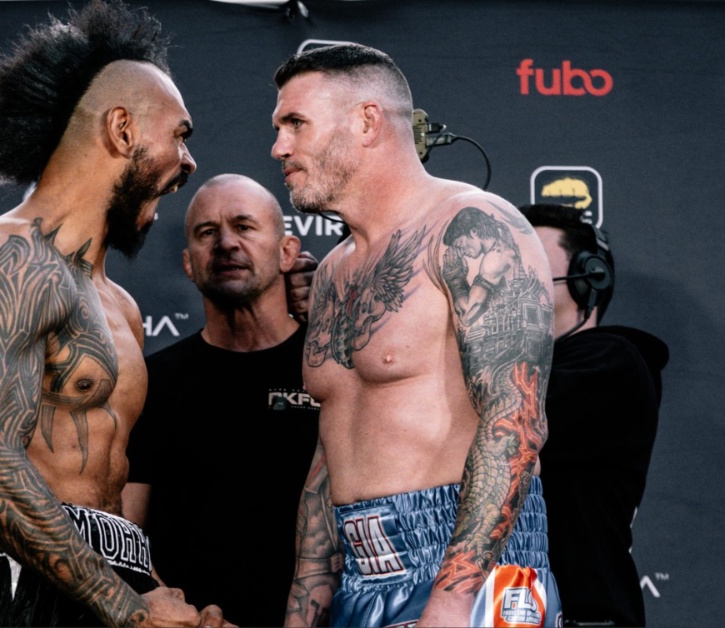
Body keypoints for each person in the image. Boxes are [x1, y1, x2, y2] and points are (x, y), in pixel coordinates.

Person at [0, 2, 225, 626]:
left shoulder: (121, 306)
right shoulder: (10, 258)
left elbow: (98, 500)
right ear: (122, 130)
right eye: (180, 135)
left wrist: (163, 604)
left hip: (102, 577)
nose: (189, 162)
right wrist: (130, 611)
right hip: (4, 576)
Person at [271, 44, 560, 627]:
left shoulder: (472, 227)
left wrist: (452, 601)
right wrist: (305, 606)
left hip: (468, 567)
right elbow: (331, 453)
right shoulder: (332, 273)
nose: (279, 147)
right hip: (362, 573)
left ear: (367, 121)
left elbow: (516, 419)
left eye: (295, 123)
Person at [123, 174, 319, 626]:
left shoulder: (331, 372)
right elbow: (125, 533)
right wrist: (184, 618)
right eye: (207, 232)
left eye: (244, 226)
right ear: (188, 264)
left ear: (287, 251)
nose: (226, 243)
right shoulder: (152, 382)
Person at [518, 203, 668, 627]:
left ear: (589, 277)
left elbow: (505, 425)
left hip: (582, 615)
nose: (509, 277)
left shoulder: (611, 361)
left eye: (529, 261)